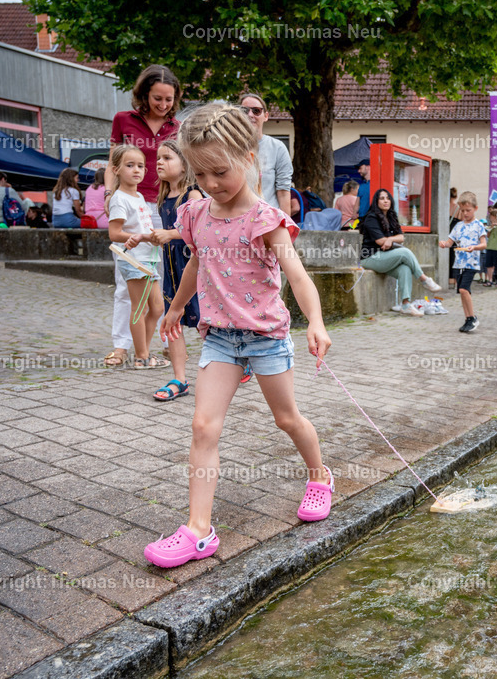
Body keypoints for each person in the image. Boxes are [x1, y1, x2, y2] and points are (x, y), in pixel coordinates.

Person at [144, 104, 334, 567]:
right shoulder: (195, 213)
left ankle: (320, 476)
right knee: (203, 426)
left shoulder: (266, 219)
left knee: (287, 419)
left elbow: (298, 274)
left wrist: (316, 321)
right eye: (200, 173)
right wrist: (173, 308)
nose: (210, 183)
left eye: (220, 171)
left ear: (249, 157)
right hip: (220, 339)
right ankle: (199, 531)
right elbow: (195, 263)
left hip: (266, 337)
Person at [103, 64, 181, 368]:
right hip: (129, 204)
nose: (163, 105)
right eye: (157, 98)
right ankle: (121, 346)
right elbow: (112, 163)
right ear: (144, 94)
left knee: (161, 279)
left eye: (169, 99)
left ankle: (154, 344)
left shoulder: (177, 126)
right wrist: (110, 196)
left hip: (162, 207)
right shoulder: (123, 120)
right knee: (127, 280)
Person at [151, 140, 204, 401]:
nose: (159, 162)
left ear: (184, 165)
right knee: (174, 323)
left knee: (205, 322)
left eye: (167, 158)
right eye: (158, 158)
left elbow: (197, 232)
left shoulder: (193, 195)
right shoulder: (163, 197)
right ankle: (180, 379)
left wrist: (169, 234)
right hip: (172, 269)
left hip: (192, 268)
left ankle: (230, 365)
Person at [106, 144, 168, 370]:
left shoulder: (140, 196)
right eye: (130, 165)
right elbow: (114, 234)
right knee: (139, 308)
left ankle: (143, 349)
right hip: (133, 261)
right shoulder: (119, 198)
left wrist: (151, 237)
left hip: (149, 259)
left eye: (140, 166)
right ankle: (142, 357)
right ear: (116, 170)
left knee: (158, 308)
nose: (137, 170)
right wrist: (141, 237)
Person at [359, 188, 442, 316]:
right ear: (376, 202)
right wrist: (389, 240)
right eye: (382, 198)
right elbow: (381, 241)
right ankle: (424, 279)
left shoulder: (391, 216)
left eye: (387, 198)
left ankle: (406, 304)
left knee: (405, 269)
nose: (385, 201)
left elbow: (401, 237)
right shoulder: (372, 218)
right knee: (405, 252)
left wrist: (390, 239)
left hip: (384, 257)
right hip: (370, 258)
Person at [438, 191, 487, 332]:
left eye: (468, 210)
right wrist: (444, 244)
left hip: (471, 263)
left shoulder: (478, 225)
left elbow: (484, 244)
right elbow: (449, 242)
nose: (465, 213)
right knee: (462, 292)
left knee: (463, 289)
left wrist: (474, 247)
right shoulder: (458, 226)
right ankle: (468, 318)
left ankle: (472, 318)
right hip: (458, 263)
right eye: (463, 210)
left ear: (475, 209)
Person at [239, 93, 293, 214]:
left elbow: (283, 192)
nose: (250, 115)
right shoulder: (229, 147)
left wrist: (286, 227)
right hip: (236, 220)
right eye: (244, 111)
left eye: (256, 111)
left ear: (266, 116)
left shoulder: (277, 148)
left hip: (267, 221)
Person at [483, 205, 497, 287]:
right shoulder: (490, 225)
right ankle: (490, 280)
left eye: (492, 217)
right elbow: (488, 235)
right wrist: (491, 228)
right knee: (489, 265)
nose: (490, 218)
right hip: (490, 247)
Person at [448, 187, 461, 288]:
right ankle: (454, 281)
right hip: (454, 234)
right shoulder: (458, 208)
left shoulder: (444, 206)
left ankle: (447, 280)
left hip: (445, 232)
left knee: (446, 257)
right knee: (454, 258)